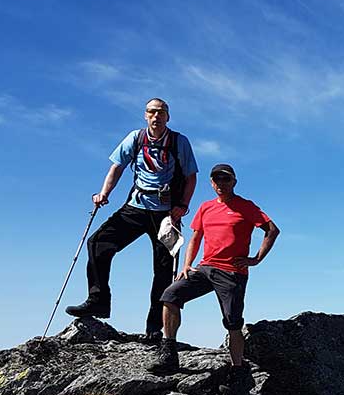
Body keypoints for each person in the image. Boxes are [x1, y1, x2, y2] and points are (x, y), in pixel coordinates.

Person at [66, 98, 198, 339]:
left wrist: (182, 206)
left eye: (161, 112)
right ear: (145, 116)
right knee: (98, 243)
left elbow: (191, 176)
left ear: (168, 117)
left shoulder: (179, 141)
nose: (156, 116)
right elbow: (117, 167)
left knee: (164, 270)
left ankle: (155, 329)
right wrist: (104, 193)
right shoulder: (136, 138)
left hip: (167, 214)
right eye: (151, 112)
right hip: (136, 206)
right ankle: (98, 301)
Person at [150, 164, 279, 374]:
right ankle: (169, 353)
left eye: (225, 179)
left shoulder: (245, 206)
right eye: (216, 179)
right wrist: (186, 265)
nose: (221, 183)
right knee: (170, 295)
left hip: (232, 272)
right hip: (205, 268)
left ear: (234, 182)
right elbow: (196, 237)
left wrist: (255, 259)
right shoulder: (205, 207)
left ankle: (238, 371)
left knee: (233, 322)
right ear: (211, 183)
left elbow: (272, 230)